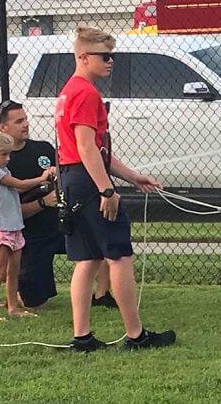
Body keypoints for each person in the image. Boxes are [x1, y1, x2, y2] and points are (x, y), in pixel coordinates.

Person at [55, 26, 176, 351]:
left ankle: (82, 337)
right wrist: (107, 191)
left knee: (89, 258)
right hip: (86, 179)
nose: (110, 62)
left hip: (73, 177)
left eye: (112, 56)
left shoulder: (71, 90)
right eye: (104, 56)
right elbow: (86, 148)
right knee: (119, 256)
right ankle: (135, 335)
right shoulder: (85, 93)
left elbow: (98, 149)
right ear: (83, 57)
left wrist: (133, 176)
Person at [0, 100, 118, 310]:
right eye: (18, 121)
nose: (25, 124)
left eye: (25, 119)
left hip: (59, 224)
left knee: (102, 236)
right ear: (3, 128)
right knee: (35, 303)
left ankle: (101, 295)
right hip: (30, 235)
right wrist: (43, 202)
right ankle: (17, 297)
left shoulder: (42, 149)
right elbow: (6, 213)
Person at [0, 131, 52, 321]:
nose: (8, 159)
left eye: (9, 154)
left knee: (13, 272)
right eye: (3, 155)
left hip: (14, 226)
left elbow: (16, 187)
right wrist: (42, 178)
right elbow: (21, 185)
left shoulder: (4, 170)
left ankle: (13, 308)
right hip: (0, 229)